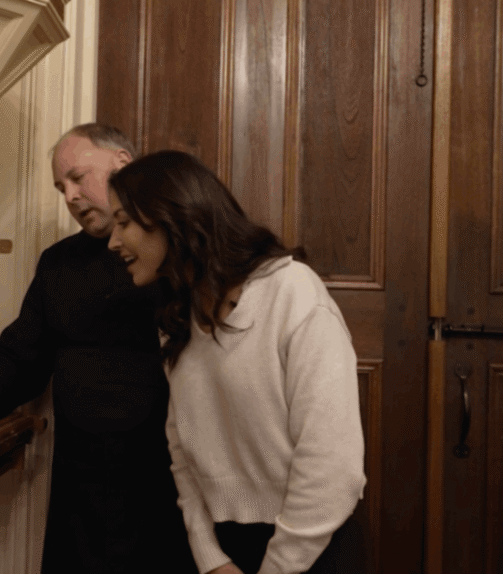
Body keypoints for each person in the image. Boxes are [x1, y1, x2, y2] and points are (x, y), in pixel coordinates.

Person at [0, 124, 197, 574]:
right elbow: (21, 352)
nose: (69, 196)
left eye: (78, 178)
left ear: (123, 163)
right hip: (80, 483)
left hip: (167, 479)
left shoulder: (180, 256)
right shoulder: (60, 263)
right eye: (61, 187)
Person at [106, 150, 366, 574]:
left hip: (312, 549)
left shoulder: (291, 292)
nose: (114, 240)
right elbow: (182, 454)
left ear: (170, 214)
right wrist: (211, 558)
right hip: (224, 554)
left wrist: (279, 566)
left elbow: (332, 467)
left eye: (124, 222)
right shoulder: (177, 318)